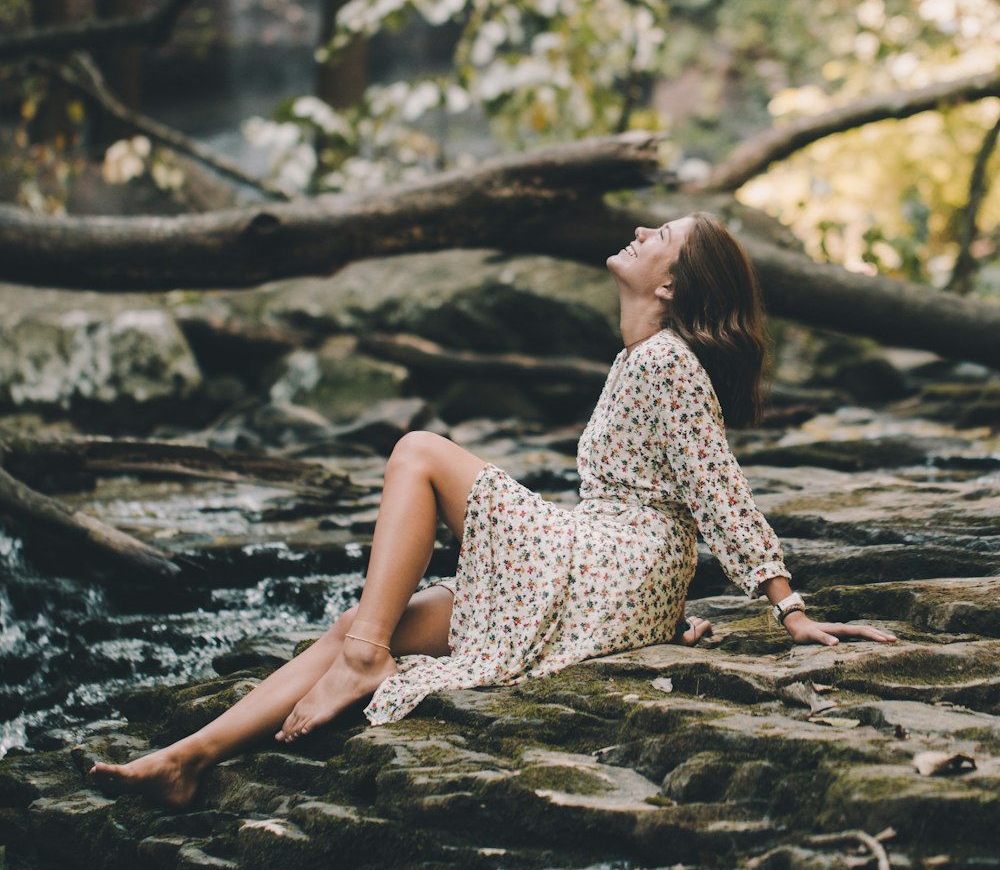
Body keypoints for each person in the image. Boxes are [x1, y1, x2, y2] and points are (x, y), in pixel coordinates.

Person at [89, 213, 896, 809]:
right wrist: (664, 612)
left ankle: (365, 660)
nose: (643, 228)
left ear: (672, 284)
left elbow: (717, 487)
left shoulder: (665, 361)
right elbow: (666, 498)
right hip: (614, 576)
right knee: (372, 620)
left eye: (662, 236)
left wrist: (788, 608)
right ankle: (189, 758)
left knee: (418, 452)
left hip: (614, 569)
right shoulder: (642, 359)